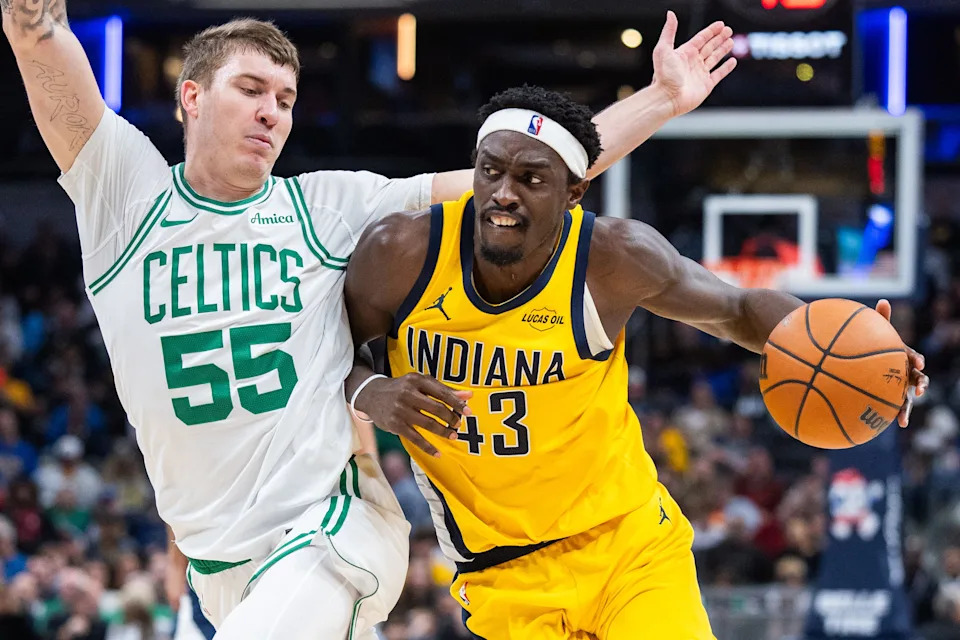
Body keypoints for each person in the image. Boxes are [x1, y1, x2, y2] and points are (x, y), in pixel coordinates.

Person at [2, 0, 736, 635]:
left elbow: (522, 178)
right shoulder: (125, 198)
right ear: (190, 97)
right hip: (220, 566)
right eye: (251, 89)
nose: (272, 112)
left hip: (333, 533)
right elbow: (37, 36)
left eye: (287, 99)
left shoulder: (326, 207)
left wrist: (661, 100)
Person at [343, 85, 930, 637]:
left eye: (530, 178)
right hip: (499, 573)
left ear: (573, 192)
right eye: (490, 170)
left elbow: (737, 309)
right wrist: (371, 394)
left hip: (629, 545)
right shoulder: (402, 254)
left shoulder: (612, 259)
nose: (503, 192)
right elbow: (326, 358)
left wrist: (848, 347)